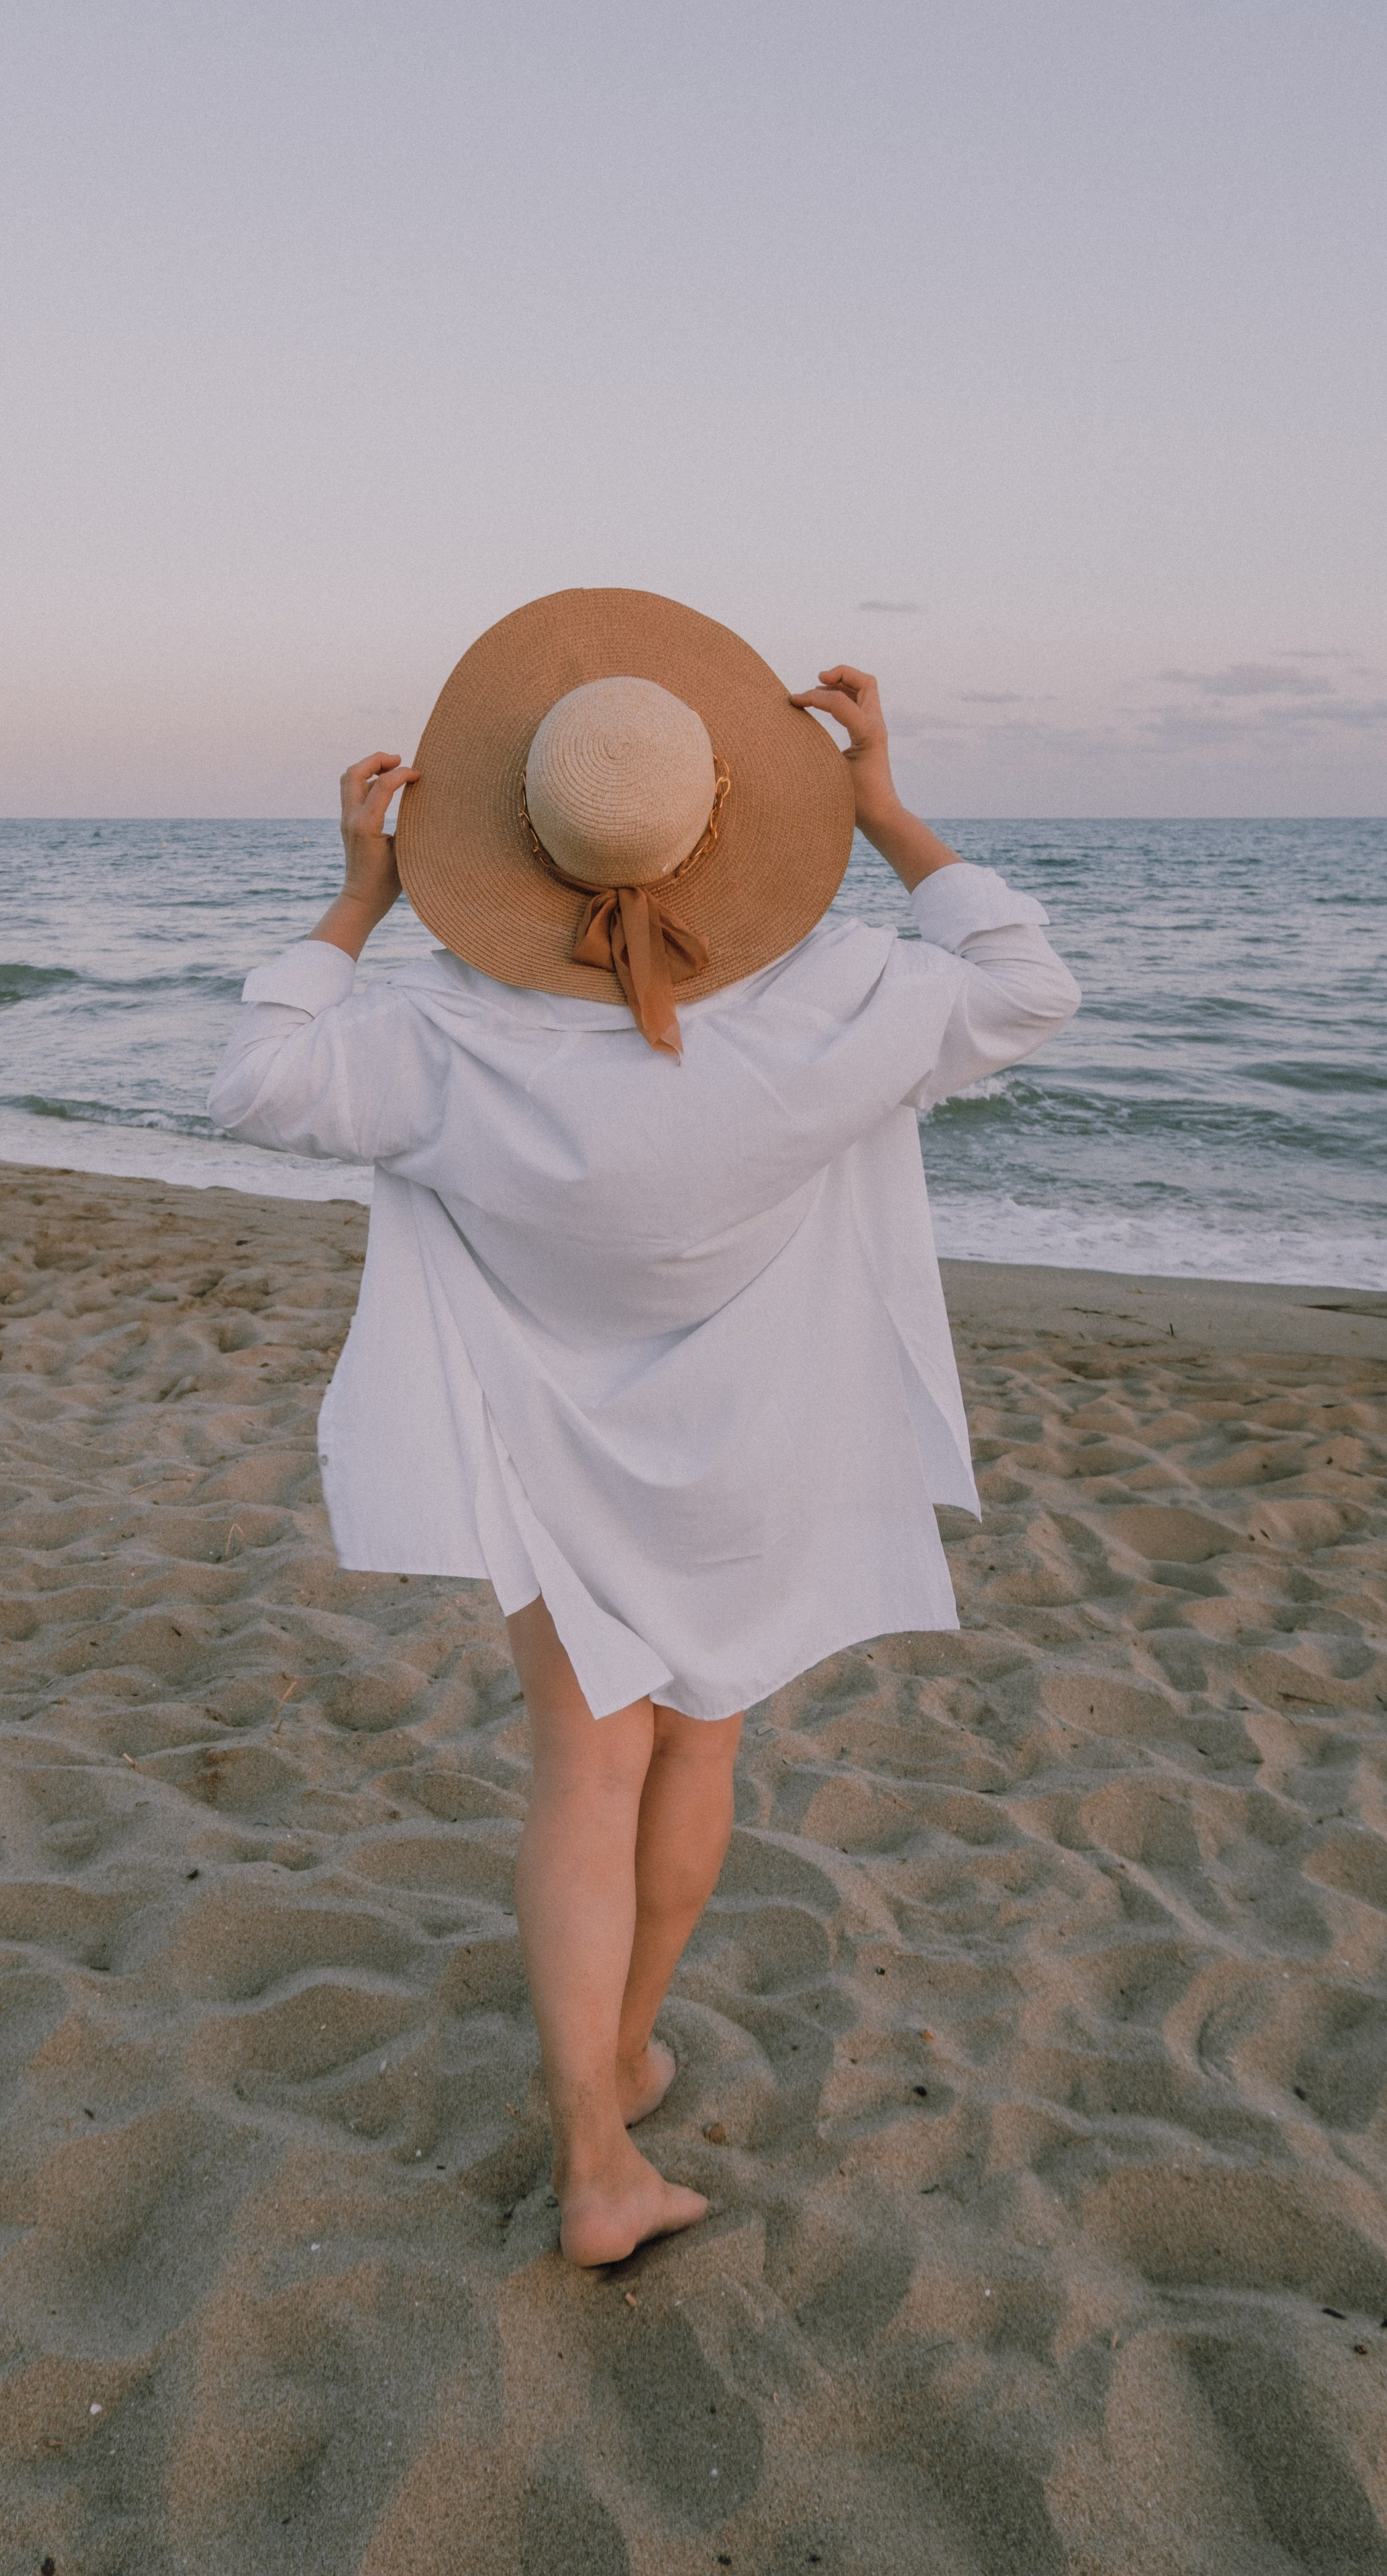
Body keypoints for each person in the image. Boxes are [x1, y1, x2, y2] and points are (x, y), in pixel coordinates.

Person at [207, 588, 1079, 2267]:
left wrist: (358, 897)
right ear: (726, 818)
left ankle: (596, 2143)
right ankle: (618, 2059)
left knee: (582, 1769)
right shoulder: (839, 1004)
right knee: (696, 1751)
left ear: (510, 838)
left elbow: (255, 1079)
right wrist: (885, 809)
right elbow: (1025, 982)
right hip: (751, 1461)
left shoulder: (438, 1036)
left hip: (551, 1465)